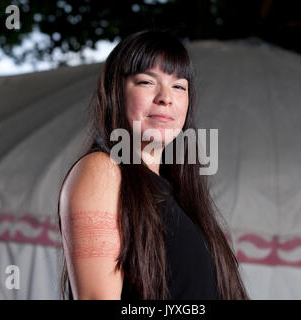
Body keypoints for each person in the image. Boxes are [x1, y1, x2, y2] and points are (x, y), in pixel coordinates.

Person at [57, 29, 249, 300]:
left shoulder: (179, 194)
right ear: (116, 91)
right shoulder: (103, 170)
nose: (166, 98)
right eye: (147, 82)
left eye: (179, 86)